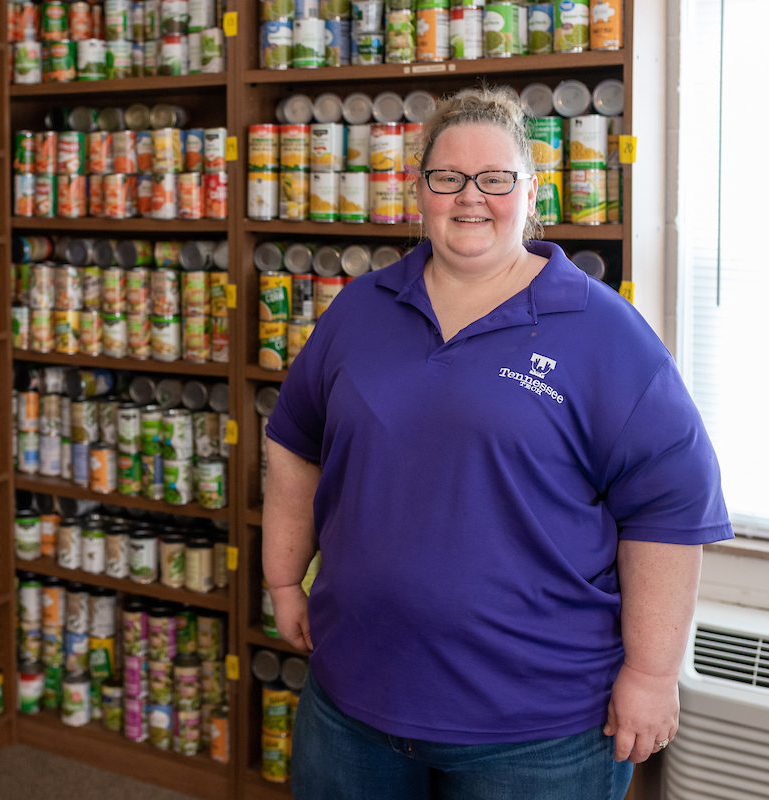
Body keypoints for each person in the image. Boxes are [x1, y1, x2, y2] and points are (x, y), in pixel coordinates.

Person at [262, 87, 732, 800]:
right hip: (352, 698)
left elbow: (668, 511)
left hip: (539, 731)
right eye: (447, 177)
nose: (469, 197)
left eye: (495, 179)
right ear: (418, 189)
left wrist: (652, 674)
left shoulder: (605, 333)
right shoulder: (360, 308)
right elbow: (293, 443)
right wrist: (281, 578)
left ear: (531, 190)